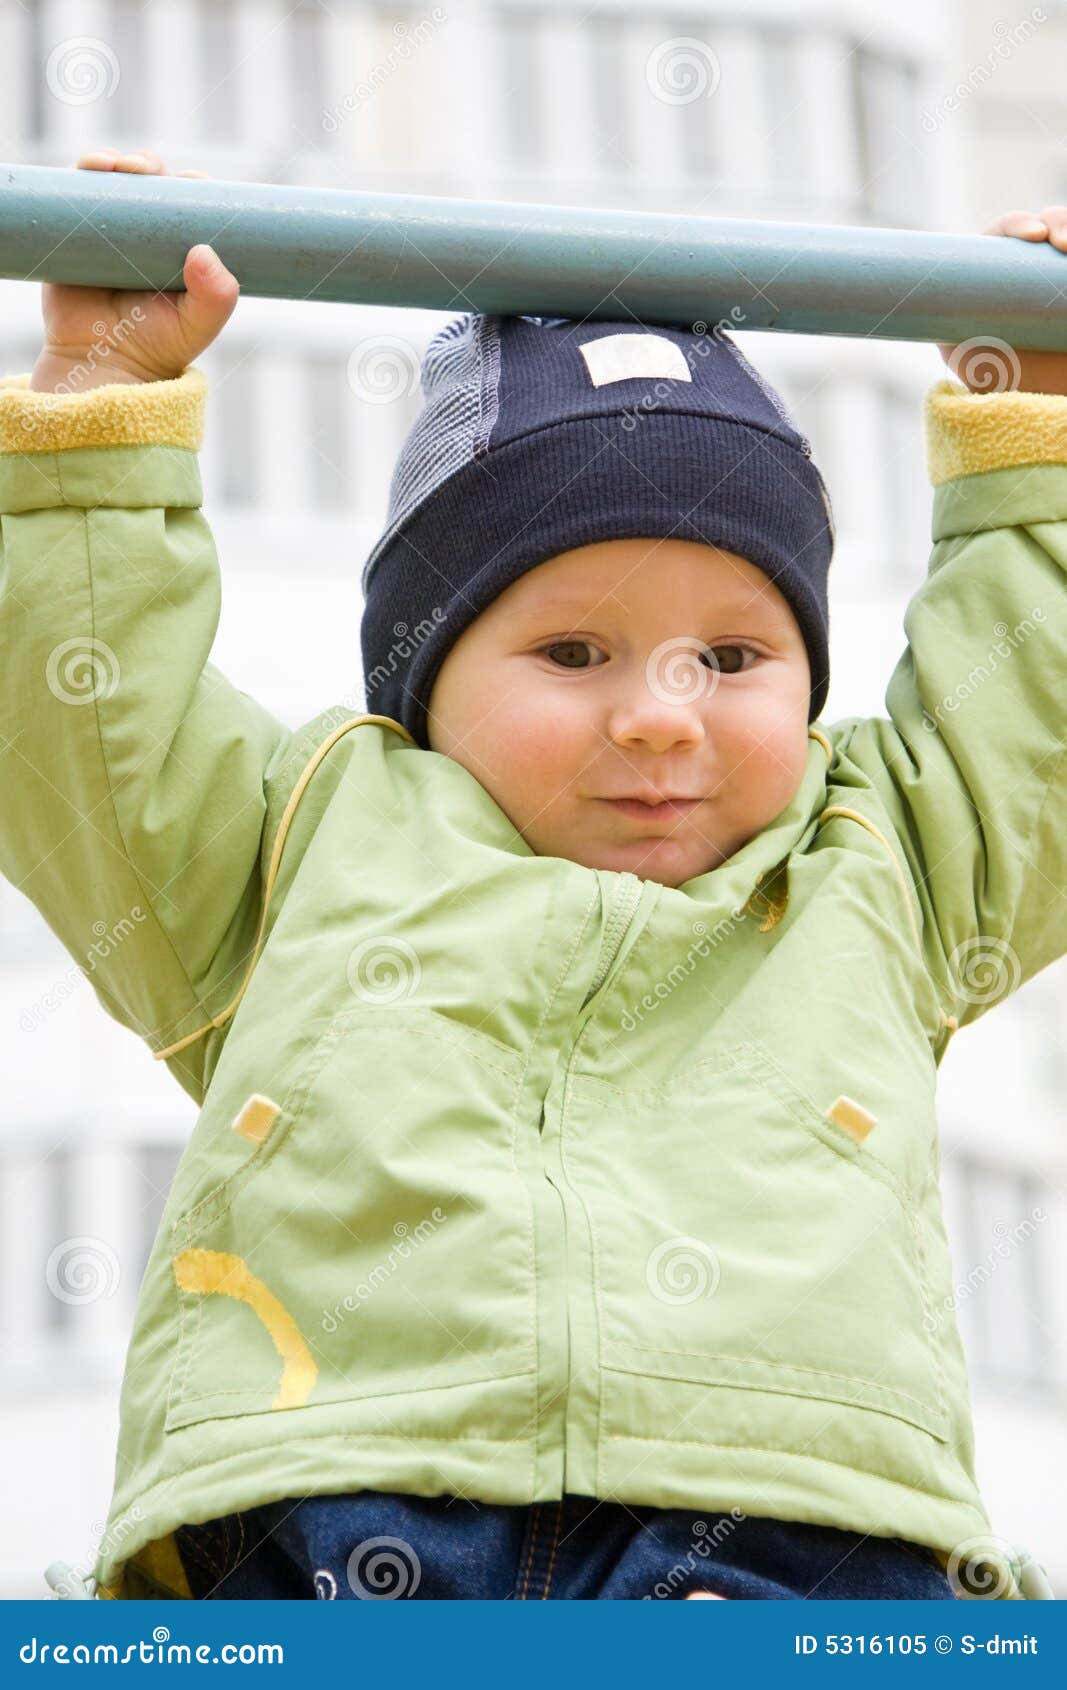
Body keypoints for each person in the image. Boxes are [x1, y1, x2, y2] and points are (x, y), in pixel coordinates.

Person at [2, 148, 1065, 1602]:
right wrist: (100, 406)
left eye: (732, 656)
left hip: (783, 1524)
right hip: (345, 1504)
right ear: (425, 684)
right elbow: (83, 732)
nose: (662, 714)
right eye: (574, 651)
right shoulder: (303, 846)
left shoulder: (880, 863)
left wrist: (1040, 430)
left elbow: (1036, 731)